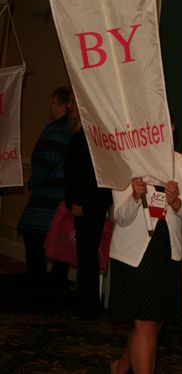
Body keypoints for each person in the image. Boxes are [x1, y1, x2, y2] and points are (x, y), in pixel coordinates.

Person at [108, 147, 182, 374]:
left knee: (153, 323)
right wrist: (135, 197)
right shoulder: (126, 161)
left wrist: (176, 202)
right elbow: (120, 215)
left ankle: (120, 367)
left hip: (166, 252)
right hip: (133, 255)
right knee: (146, 323)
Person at [17, 86, 73, 291]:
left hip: (49, 196)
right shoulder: (62, 129)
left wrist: (33, 181)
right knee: (56, 240)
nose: (50, 106)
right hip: (55, 195)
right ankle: (51, 285)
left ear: (64, 105)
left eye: (53, 102)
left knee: (35, 237)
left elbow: (48, 160)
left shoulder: (60, 131)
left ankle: (40, 285)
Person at [64, 94, 112, 318]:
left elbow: (88, 175)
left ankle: (89, 305)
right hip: (90, 203)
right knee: (86, 254)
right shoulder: (81, 136)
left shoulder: (89, 138)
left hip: (89, 204)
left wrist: (78, 202)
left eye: (73, 103)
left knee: (87, 254)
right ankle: (87, 302)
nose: (69, 107)